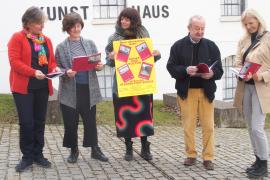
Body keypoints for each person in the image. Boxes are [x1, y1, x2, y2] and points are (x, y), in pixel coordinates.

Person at [167, 15, 223, 170]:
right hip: (187, 91)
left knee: (209, 126)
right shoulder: (178, 46)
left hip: (206, 91)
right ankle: (191, 155)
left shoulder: (212, 46)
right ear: (189, 28)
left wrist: (212, 74)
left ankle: (208, 158)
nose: (200, 31)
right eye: (197, 28)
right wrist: (185, 70)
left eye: (202, 28)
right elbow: (171, 67)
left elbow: (219, 70)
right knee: (188, 126)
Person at [7, 6, 59, 172]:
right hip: (24, 88)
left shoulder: (46, 40)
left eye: (42, 23)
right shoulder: (17, 38)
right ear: (28, 23)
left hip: (42, 86)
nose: (42, 26)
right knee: (27, 123)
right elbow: (14, 62)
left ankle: (38, 154)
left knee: (39, 122)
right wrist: (32, 72)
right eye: (38, 23)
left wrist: (55, 69)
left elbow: (50, 62)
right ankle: (27, 157)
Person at [105, 8, 161, 161]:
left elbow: (148, 58)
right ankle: (128, 148)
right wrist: (111, 57)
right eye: (122, 19)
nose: (123, 21)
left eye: (127, 19)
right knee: (126, 117)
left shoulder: (143, 34)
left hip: (142, 83)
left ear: (134, 21)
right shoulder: (114, 38)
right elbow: (109, 63)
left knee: (144, 116)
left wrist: (157, 55)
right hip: (124, 84)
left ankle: (144, 147)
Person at [55, 12, 108, 164]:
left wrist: (99, 66)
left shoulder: (90, 43)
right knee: (70, 122)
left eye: (78, 25)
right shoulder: (61, 47)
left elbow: (96, 63)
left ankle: (95, 149)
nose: (76, 29)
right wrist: (66, 72)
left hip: (88, 89)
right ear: (67, 28)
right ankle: (74, 150)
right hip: (70, 91)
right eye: (72, 26)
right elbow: (56, 68)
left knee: (90, 121)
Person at [233, 9, 270, 178]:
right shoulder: (243, 40)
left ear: (258, 20)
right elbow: (238, 61)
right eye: (246, 24)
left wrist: (259, 75)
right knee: (250, 127)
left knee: (257, 128)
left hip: (261, 88)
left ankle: (263, 164)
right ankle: (257, 160)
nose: (248, 26)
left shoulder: (268, 38)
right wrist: (240, 70)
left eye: (251, 23)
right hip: (245, 87)